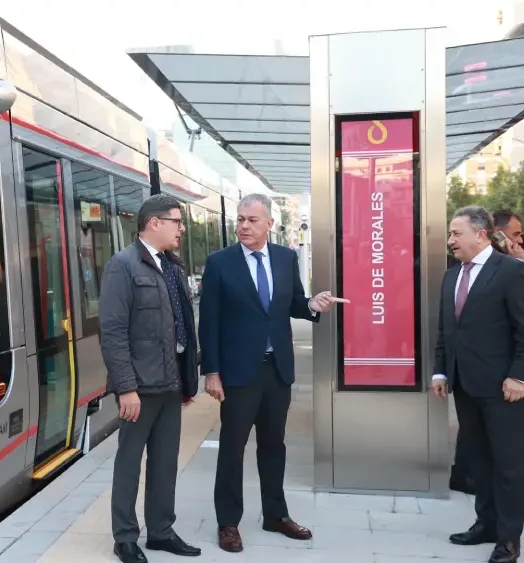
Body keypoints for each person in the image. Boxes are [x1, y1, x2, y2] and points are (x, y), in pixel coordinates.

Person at [198, 193, 347, 554]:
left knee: (273, 446)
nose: (244, 226)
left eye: (252, 220)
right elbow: (209, 321)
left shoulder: (284, 258)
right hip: (238, 373)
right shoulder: (219, 263)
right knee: (232, 449)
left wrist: (312, 304)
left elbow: (293, 302)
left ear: (269, 224)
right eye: (240, 219)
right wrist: (212, 372)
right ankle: (228, 522)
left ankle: (275, 515)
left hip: (277, 370)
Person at [99, 193, 201, 563]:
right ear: (154, 223)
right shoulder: (122, 265)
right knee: (129, 463)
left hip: (170, 384)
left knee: (165, 463)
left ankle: (160, 532)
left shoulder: (172, 266)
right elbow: (112, 332)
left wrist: (187, 380)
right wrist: (126, 388)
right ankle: (125, 538)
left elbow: (182, 326)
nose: (181, 229)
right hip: (140, 388)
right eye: (176, 221)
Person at [432, 205, 524, 563]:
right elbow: (447, 331)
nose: (451, 240)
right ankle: (485, 524)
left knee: (508, 466)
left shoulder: (511, 271)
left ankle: (509, 539)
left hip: (504, 389)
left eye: (457, 233)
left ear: (481, 234)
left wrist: (518, 376)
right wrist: (441, 372)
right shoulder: (451, 276)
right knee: (478, 461)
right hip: (465, 386)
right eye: (450, 233)